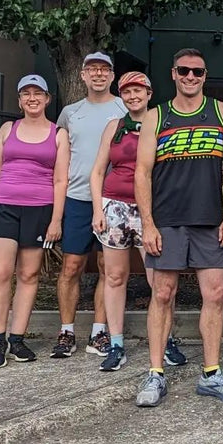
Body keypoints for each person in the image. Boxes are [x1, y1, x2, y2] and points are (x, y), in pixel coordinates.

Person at [133, 48, 223, 407]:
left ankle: (211, 373)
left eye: (197, 72)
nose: (190, 77)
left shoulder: (221, 111)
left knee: (215, 293)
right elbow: (142, 172)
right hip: (166, 220)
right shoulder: (156, 116)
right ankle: (155, 374)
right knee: (162, 294)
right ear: (173, 73)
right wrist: (147, 224)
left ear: (204, 75)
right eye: (184, 71)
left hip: (210, 220)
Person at [0, 75, 70, 369]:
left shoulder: (58, 134)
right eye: (26, 93)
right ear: (19, 100)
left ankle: (17, 338)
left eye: (37, 93)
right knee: (1, 272)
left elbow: (60, 179)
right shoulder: (7, 129)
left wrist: (56, 219)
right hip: (2, 206)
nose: (32, 98)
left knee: (28, 275)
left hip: (39, 209)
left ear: (47, 99)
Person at [88, 70, 172, 372]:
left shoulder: (162, 123)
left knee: (158, 280)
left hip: (150, 209)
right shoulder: (114, 126)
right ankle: (116, 343)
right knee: (114, 276)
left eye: (139, 90)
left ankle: (166, 339)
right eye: (127, 91)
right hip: (115, 206)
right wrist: (98, 210)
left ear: (149, 93)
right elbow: (98, 171)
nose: (133, 96)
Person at [51, 51, 126, 359]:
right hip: (78, 199)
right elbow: (59, 160)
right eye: (92, 69)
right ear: (82, 75)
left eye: (104, 70)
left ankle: (99, 332)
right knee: (71, 267)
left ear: (112, 76)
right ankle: (67, 331)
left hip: (115, 200)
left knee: (109, 268)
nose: (98, 74)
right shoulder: (70, 112)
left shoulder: (125, 108)